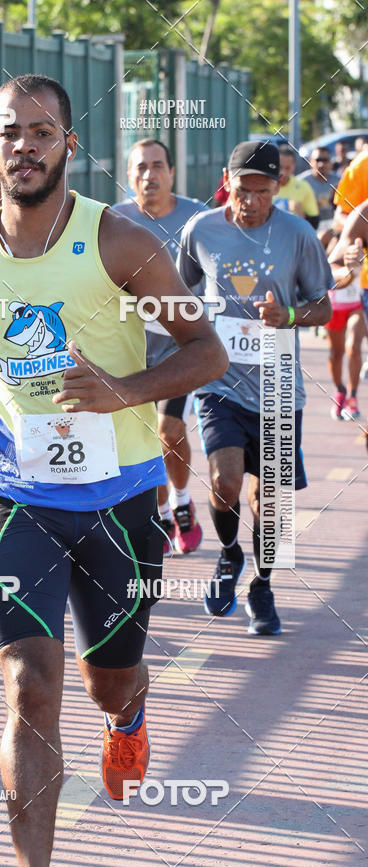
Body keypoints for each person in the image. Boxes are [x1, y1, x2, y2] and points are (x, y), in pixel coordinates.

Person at [0, 74, 228, 867]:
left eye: (40, 132)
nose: (23, 146)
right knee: (29, 686)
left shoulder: (120, 242)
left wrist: (123, 391)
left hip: (120, 501)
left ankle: (128, 716)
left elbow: (206, 351)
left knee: (107, 680)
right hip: (13, 495)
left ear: (69, 144)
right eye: (8, 132)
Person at [178, 140, 333, 636]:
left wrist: (288, 315)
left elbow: (323, 307)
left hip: (279, 386)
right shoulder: (201, 230)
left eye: (262, 192)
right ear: (227, 182)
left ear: (278, 186)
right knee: (224, 482)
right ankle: (229, 554)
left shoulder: (297, 234)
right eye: (242, 190)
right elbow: (181, 294)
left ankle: (261, 586)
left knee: (270, 505)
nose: (250, 201)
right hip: (220, 383)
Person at [113, 138, 205, 553]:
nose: (149, 175)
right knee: (143, 437)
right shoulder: (114, 220)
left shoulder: (196, 218)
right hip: (130, 348)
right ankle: (163, 512)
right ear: (129, 176)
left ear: (171, 172)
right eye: (140, 168)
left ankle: (182, 501)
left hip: (179, 348)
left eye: (157, 166)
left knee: (169, 430)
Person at [328, 199, 368, 441]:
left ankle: (351, 395)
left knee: (353, 347)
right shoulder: (364, 215)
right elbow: (331, 268)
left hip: (356, 307)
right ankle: (343, 391)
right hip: (343, 304)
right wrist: (350, 271)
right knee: (338, 353)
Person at [298, 147, 340, 241]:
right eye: (318, 160)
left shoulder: (339, 181)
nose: (321, 164)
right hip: (310, 227)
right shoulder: (301, 182)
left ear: (330, 162)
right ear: (310, 161)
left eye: (325, 160)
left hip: (334, 227)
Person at [274, 145, 320, 227]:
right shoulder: (263, 185)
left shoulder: (304, 187)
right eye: (280, 167)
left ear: (294, 166)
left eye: (287, 168)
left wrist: (300, 214)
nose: (283, 172)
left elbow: (314, 221)